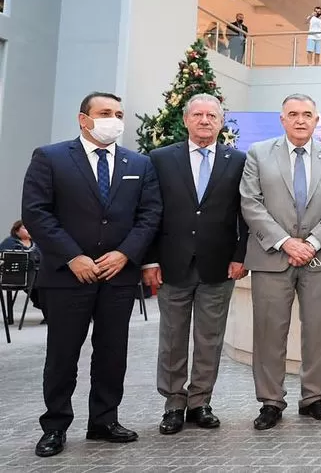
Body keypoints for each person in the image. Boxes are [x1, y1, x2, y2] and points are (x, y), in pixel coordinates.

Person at [21, 92, 163, 458]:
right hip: (68, 276)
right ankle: (54, 426)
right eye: (104, 113)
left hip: (117, 276)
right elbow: (37, 213)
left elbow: (149, 216)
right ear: (83, 119)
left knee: (112, 354)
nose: (113, 119)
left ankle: (104, 420)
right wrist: (73, 257)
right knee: (63, 355)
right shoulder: (50, 157)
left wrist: (125, 253)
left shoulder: (139, 163)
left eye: (118, 113)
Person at [239, 93, 321, 431]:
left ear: (317, 120)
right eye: (293, 114)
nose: (300, 120)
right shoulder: (259, 154)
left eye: (307, 114)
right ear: (282, 119)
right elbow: (251, 202)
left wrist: (313, 242)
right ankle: (271, 401)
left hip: (320, 258)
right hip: (272, 255)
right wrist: (287, 242)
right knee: (269, 332)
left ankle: (313, 397)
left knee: (318, 331)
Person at [141, 94, 248, 435]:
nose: (205, 120)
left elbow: (245, 213)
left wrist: (240, 255)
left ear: (221, 122)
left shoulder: (238, 160)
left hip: (219, 265)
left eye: (212, 115)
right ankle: (173, 403)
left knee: (209, 338)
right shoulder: (160, 159)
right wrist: (149, 260)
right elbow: (149, 212)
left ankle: (200, 401)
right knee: (172, 338)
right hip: (172, 264)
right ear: (186, 120)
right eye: (198, 115)